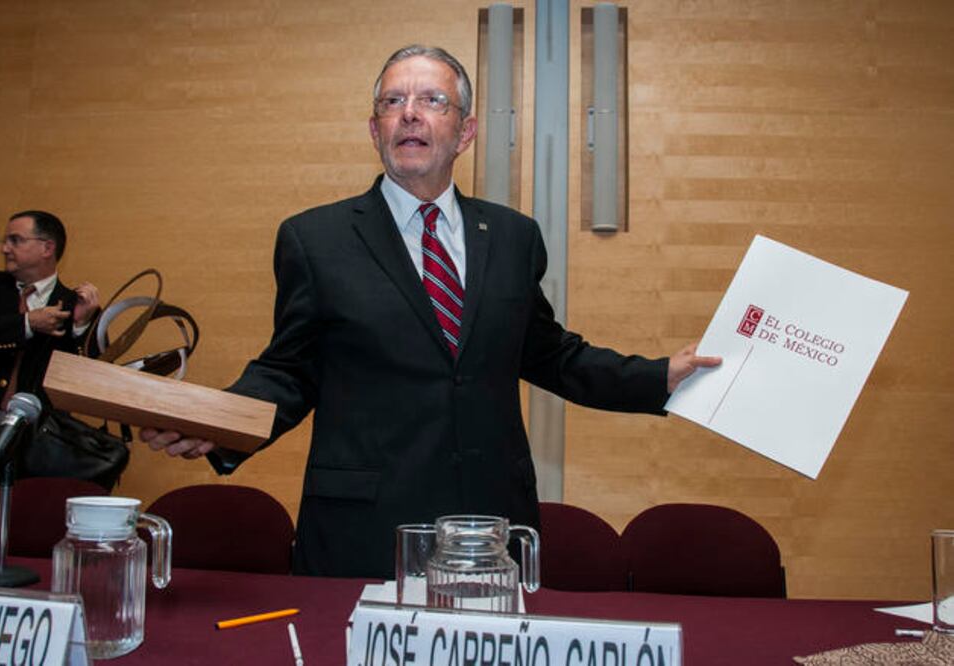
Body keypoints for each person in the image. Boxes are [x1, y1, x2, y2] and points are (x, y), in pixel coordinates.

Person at [142, 45, 721, 579]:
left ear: (465, 131)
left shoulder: (514, 237)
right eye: (392, 102)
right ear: (375, 129)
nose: (410, 114)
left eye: (431, 100)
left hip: (488, 528)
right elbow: (289, 371)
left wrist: (659, 377)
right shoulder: (314, 239)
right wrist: (219, 425)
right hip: (363, 533)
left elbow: (551, 356)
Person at [0, 210, 100, 467]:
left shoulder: (75, 304)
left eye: (15, 240)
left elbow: (87, 379)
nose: (5, 248)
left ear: (47, 248)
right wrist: (26, 323)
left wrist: (80, 326)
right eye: (5, 241)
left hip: (33, 445)